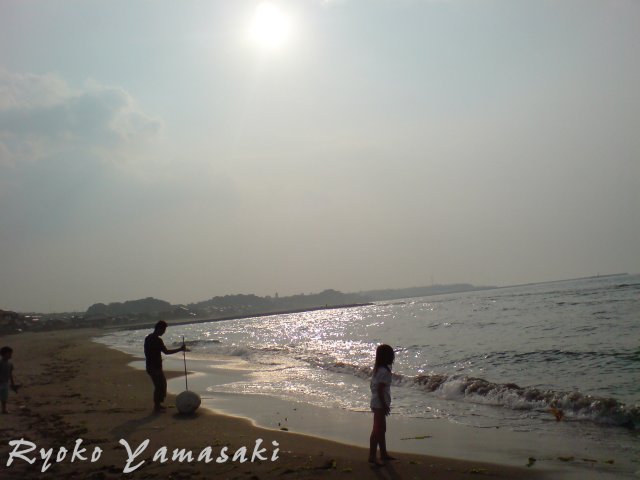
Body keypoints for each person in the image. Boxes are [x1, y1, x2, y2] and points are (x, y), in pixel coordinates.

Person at [144, 321, 186, 412]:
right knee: (159, 386)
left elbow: (147, 353)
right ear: (159, 328)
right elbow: (166, 352)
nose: (164, 332)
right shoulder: (157, 340)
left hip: (151, 366)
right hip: (154, 367)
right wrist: (180, 349)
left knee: (161, 385)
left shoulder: (148, 338)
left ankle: (158, 404)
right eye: (163, 330)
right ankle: (157, 406)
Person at [369, 344, 396, 465]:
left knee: (381, 429)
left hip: (376, 401)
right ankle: (372, 455)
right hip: (379, 403)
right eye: (392, 355)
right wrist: (384, 405)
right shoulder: (384, 371)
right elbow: (380, 389)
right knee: (377, 430)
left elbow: (374, 387)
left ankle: (383, 453)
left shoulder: (377, 370)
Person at [0, 346, 18, 414]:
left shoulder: (10, 364)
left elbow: (10, 375)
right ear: (3, 354)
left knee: (4, 397)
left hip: (5, 383)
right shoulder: (0, 363)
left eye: (11, 353)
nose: (10, 355)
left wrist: (12, 384)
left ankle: (4, 409)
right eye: (9, 353)